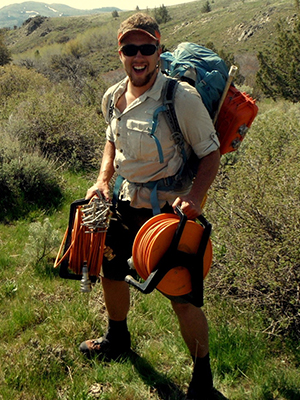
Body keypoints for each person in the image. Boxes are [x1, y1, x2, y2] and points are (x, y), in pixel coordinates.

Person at [79, 13, 222, 400]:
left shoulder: (181, 97)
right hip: (124, 203)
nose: (138, 56)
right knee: (111, 270)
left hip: (167, 217)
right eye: (130, 49)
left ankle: (204, 381)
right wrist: (103, 181)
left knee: (182, 296)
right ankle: (117, 339)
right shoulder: (112, 96)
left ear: (159, 49)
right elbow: (112, 141)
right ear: (120, 53)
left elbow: (211, 154)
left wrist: (194, 198)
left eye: (147, 48)